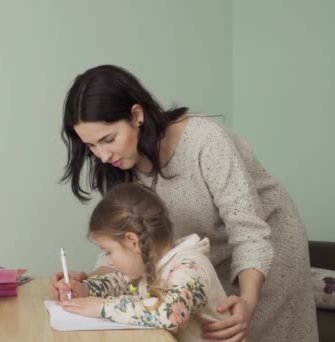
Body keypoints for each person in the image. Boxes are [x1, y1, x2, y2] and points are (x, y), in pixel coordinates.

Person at [52, 64, 318, 341]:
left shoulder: (206, 142)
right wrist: (90, 285)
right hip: (200, 262)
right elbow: (124, 239)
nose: (102, 155)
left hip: (264, 251)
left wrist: (248, 301)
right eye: (91, 146)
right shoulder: (121, 164)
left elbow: (249, 233)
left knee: (256, 331)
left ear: (136, 115)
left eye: (108, 139)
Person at [55, 183, 230, 342]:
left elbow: (171, 314)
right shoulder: (150, 265)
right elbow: (119, 282)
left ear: (133, 241)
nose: (108, 259)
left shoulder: (191, 268)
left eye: (109, 251)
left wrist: (102, 307)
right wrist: (85, 289)